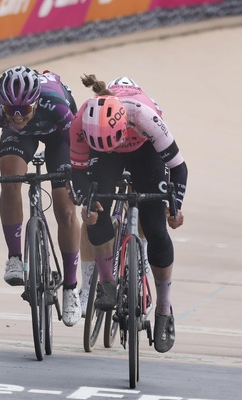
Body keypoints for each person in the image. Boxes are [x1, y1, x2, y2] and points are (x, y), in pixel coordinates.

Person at [69, 75, 188, 353]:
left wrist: (176, 206)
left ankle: (163, 308)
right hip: (103, 156)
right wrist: (86, 203)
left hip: (144, 151)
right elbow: (77, 172)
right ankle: (107, 285)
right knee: (96, 211)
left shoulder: (143, 116)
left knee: (156, 227)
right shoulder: (80, 122)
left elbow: (179, 168)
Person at [0, 66, 82, 327]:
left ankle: (70, 286)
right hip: (20, 139)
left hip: (59, 136)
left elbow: (80, 150)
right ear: (3, 104)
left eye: (23, 109)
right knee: (10, 181)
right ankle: (14, 258)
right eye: (12, 111)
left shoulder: (55, 104)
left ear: (35, 100)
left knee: (65, 208)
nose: (18, 116)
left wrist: (78, 179)